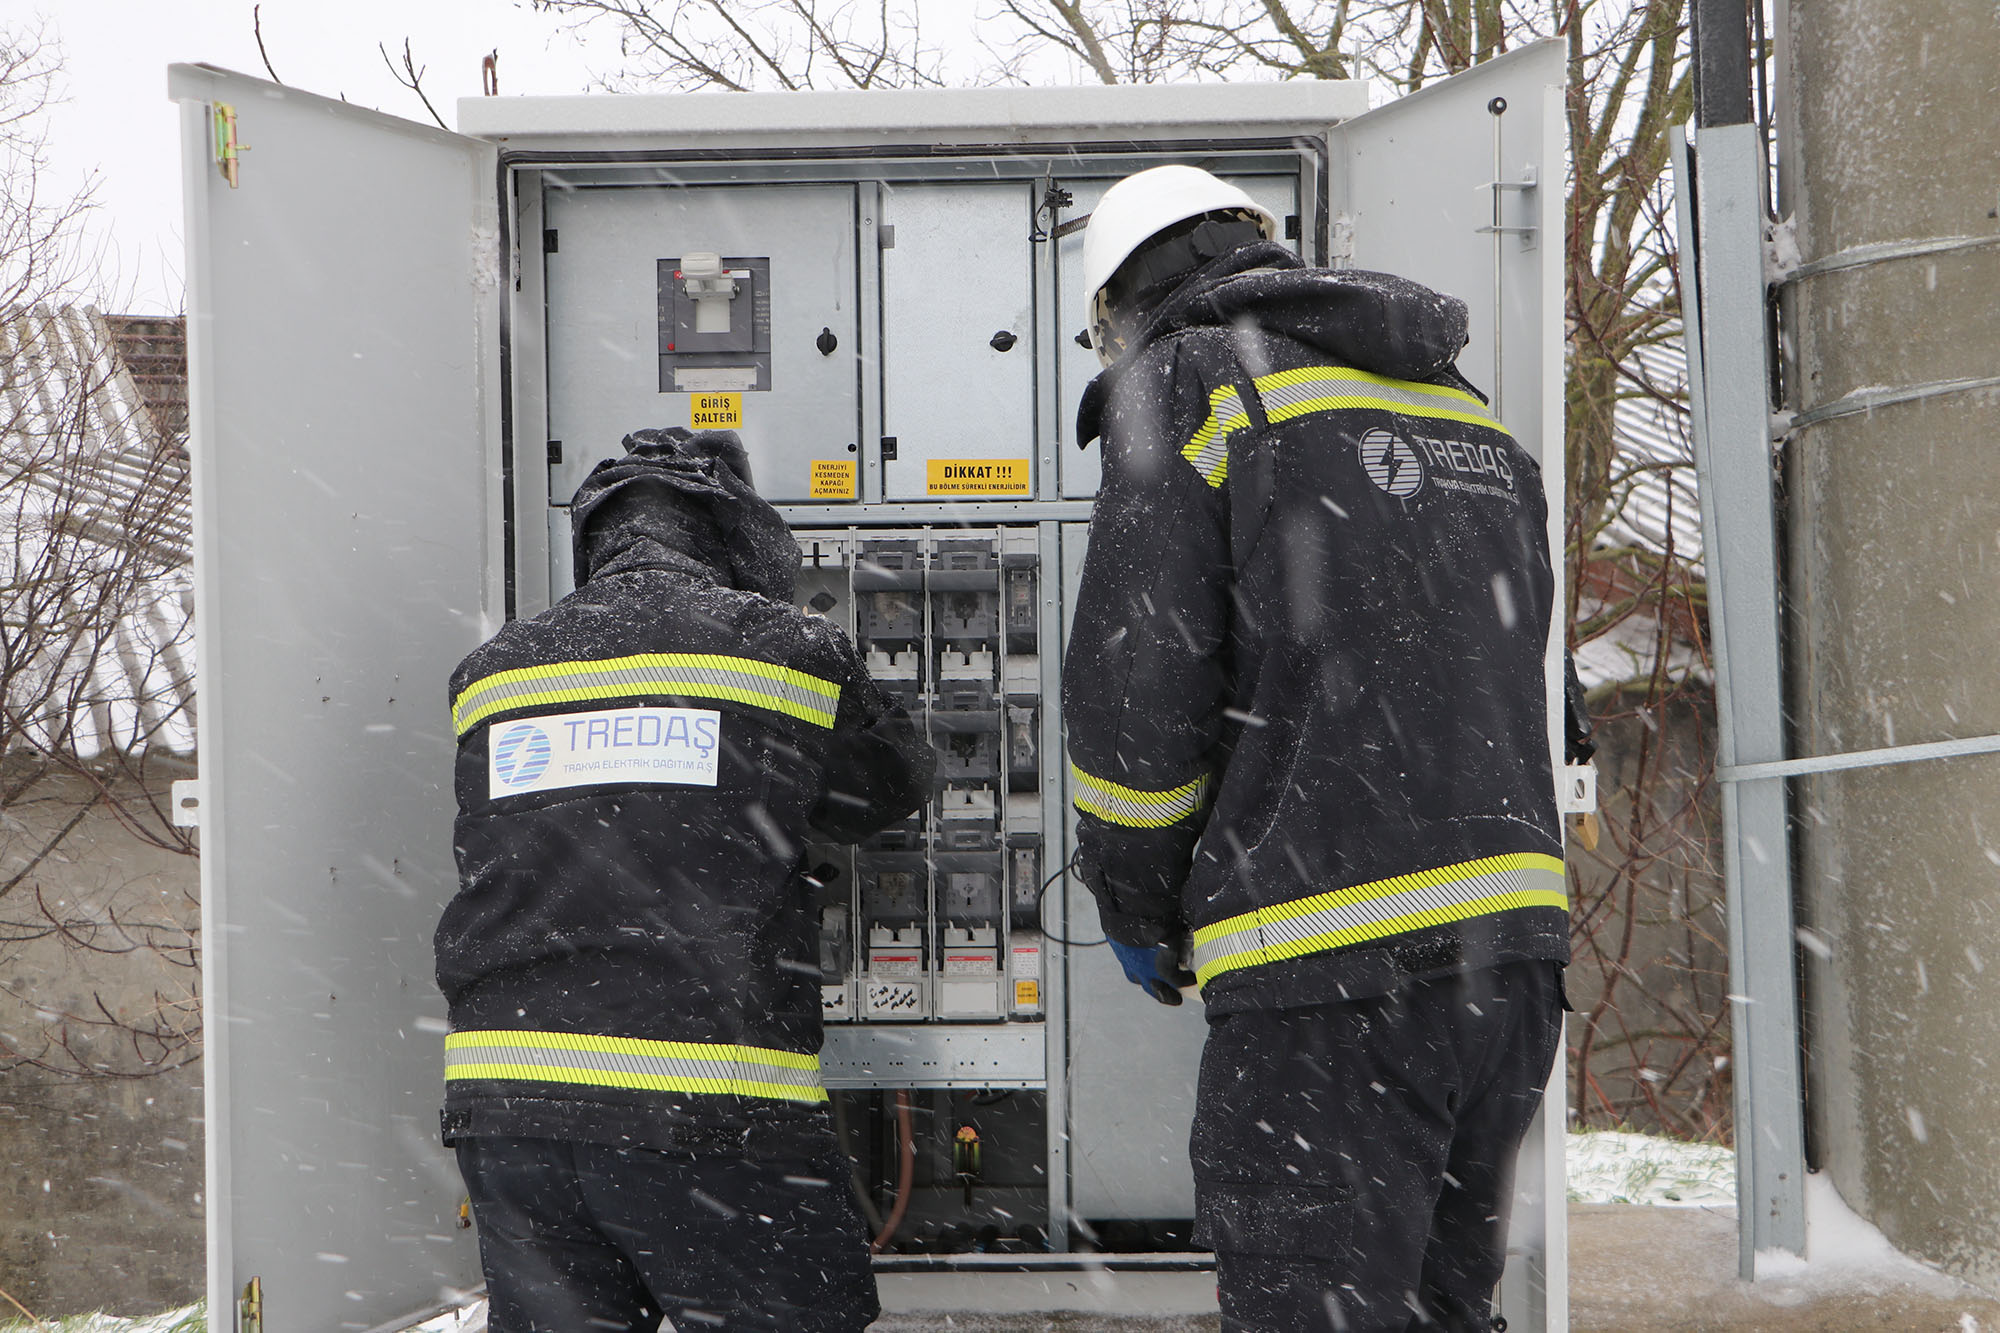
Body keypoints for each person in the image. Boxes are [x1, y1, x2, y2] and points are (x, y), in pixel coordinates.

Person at [1063, 164, 1572, 1333]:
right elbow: (1513, 655)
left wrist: (1136, 902)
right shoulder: (1459, 404)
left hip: (1331, 962)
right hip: (1509, 964)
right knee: (1445, 1303)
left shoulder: (1189, 380)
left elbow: (1139, 692)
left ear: (1118, 305)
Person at [435, 427, 933, 1333]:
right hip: (706, 1106)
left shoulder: (493, 670)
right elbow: (894, 782)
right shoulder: (785, 649)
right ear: (740, 541)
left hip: (509, 1114)